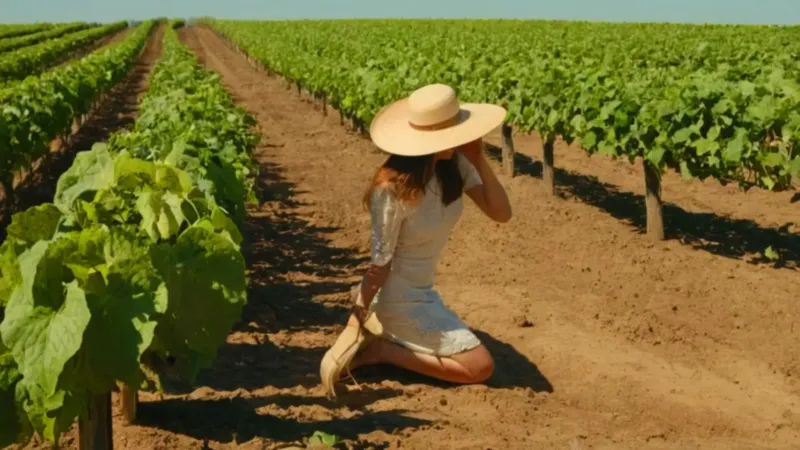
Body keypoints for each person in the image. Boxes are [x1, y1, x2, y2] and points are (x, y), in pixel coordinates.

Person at [320, 83, 512, 397]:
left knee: (474, 359)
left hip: (424, 292)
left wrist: (478, 157)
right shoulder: (391, 188)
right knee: (480, 366)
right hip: (398, 296)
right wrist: (355, 321)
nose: (457, 140)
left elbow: (501, 213)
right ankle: (381, 351)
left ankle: (390, 343)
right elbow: (379, 266)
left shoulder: (454, 167)